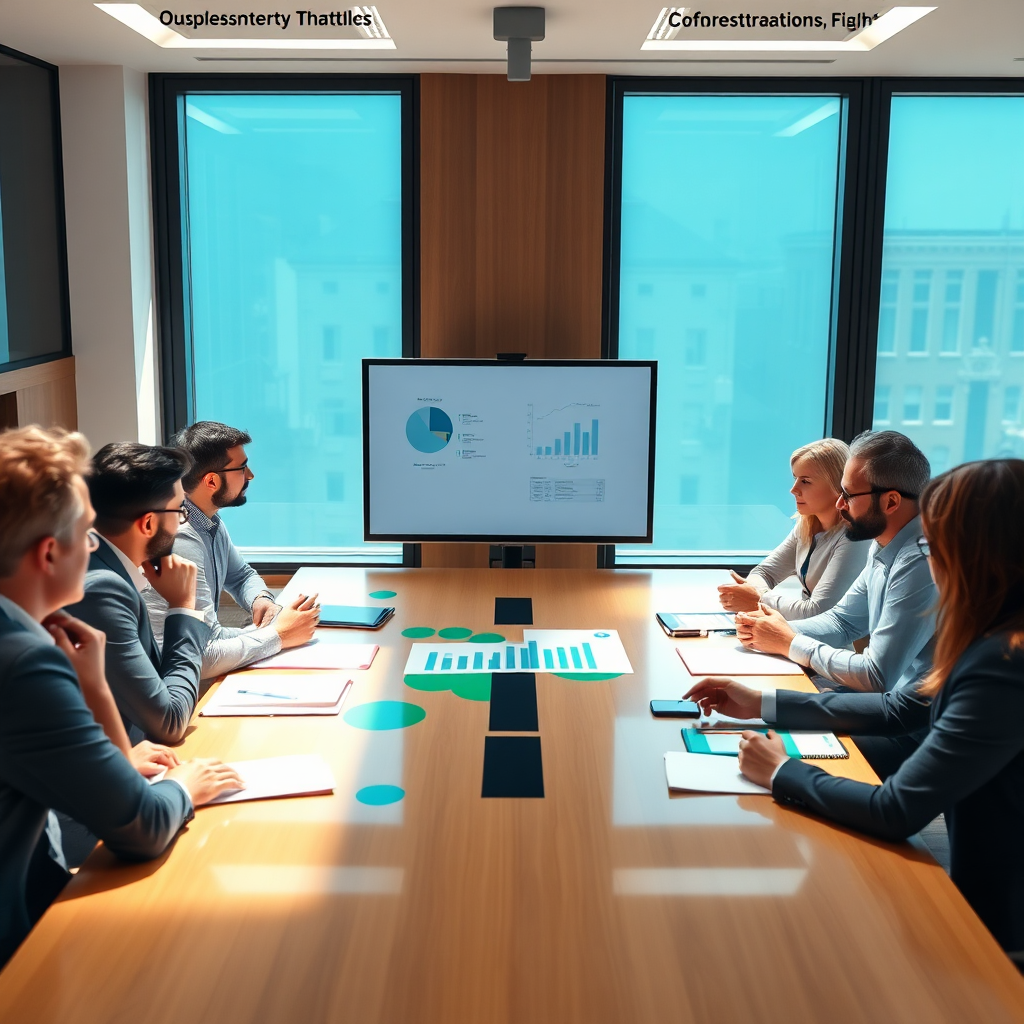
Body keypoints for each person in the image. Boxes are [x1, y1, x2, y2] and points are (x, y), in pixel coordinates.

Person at [685, 458, 1024, 956]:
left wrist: (782, 773)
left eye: (935, 542)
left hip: (997, 933)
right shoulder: (989, 635)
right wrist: (762, 700)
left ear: (975, 553)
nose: (928, 557)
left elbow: (896, 810)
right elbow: (901, 708)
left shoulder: (1003, 665)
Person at [0, 426, 243, 964]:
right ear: (47, 553)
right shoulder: (24, 661)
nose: (92, 547)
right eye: (85, 533)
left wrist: (94, 692)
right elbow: (143, 828)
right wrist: (185, 783)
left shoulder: (29, 635)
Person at [733, 431, 937, 776]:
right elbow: (843, 622)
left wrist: (790, 641)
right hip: (886, 706)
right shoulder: (883, 541)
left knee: (769, 750)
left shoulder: (919, 561)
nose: (840, 505)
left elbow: (876, 676)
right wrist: (769, 631)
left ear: (890, 502)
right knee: (753, 731)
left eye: (848, 495)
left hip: (916, 728)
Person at [144, 422, 318, 679]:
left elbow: (241, 575)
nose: (250, 475)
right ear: (211, 481)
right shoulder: (180, 540)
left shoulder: (207, 520)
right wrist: (279, 635)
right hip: (170, 687)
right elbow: (204, 654)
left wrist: (262, 600)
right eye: (241, 468)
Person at [65, 442, 210, 744]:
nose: (182, 522)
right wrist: (183, 606)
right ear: (148, 523)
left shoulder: (100, 564)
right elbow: (169, 721)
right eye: (180, 511)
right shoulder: (103, 589)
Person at [718, 438, 869, 619]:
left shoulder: (856, 538)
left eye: (805, 481)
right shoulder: (807, 525)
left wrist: (757, 599)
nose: (793, 489)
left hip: (837, 644)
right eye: (795, 479)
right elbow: (764, 573)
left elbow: (818, 611)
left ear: (838, 485)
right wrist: (753, 596)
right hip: (804, 634)